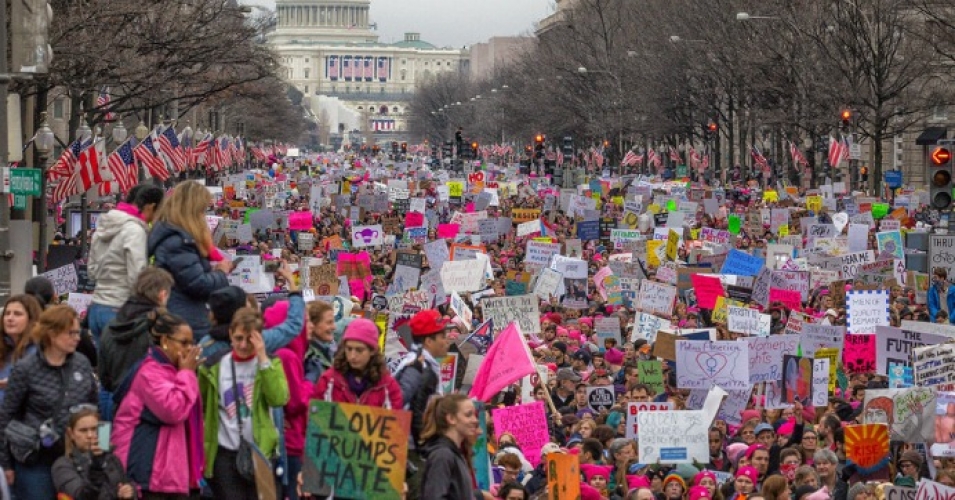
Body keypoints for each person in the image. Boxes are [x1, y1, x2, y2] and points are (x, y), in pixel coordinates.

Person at [0, 305, 98, 499]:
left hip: (74, 458)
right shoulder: (25, 369)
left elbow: (95, 411)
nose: (78, 338)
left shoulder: (82, 363)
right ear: (52, 334)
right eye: (71, 333)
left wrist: (100, 448)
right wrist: (6, 464)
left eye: (78, 332)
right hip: (36, 460)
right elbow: (5, 417)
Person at [111, 309, 204, 499]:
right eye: (184, 343)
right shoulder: (150, 372)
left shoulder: (174, 370)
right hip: (147, 472)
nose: (189, 349)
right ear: (164, 341)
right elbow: (173, 411)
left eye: (192, 343)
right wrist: (187, 374)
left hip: (170, 475)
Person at [199, 308, 289, 499]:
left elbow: (279, 398)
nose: (242, 345)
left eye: (249, 339)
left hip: (261, 451)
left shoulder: (271, 363)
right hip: (225, 452)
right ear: (230, 334)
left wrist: (263, 358)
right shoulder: (214, 366)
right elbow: (203, 404)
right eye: (238, 338)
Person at [147, 180, 233, 340]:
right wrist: (221, 273)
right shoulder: (177, 242)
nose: (204, 216)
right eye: (202, 210)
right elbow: (197, 284)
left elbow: (189, 276)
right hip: (185, 319)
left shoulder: (176, 238)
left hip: (184, 314)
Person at [87, 184, 165, 343]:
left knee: (104, 366)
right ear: (151, 207)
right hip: (120, 309)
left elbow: (91, 272)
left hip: (96, 307)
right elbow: (137, 277)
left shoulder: (104, 226)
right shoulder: (135, 231)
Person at [98, 267, 175, 418]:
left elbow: (104, 377)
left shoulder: (111, 326)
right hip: (152, 411)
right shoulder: (162, 328)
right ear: (162, 295)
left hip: (120, 406)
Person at [395, 309, 451, 495]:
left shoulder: (423, 363)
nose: (447, 340)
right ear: (428, 341)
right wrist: (423, 446)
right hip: (410, 449)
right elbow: (414, 410)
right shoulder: (419, 367)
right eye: (442, 335)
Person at [312, 318, 402, 409]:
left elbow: (395, 420)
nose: (352, 356)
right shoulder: (328, 380)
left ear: (372, 351)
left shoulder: (388, 386)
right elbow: (316, 417)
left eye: (359, 350)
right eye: (349, 349)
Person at [51, 405, 136, 499]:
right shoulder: (63, 465)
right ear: (71, 433)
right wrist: (97, 466)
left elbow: (125, 484)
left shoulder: (112, 458)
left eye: (94, 429)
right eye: (83, 430)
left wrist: (129, 491)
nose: (90, 435)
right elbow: (82, 496)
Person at [418, 393, 487, 500]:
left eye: (474, 414)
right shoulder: (442, 455)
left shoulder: (454, 454)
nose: (475, 420)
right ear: (451, 418)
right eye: (468, 415)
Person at [0, 295, 41, 402]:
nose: (10, 318)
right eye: (7, 313)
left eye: (17, 314)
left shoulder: (40, 351)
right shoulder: (3, 347)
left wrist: (20, 385)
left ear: (31, 319)